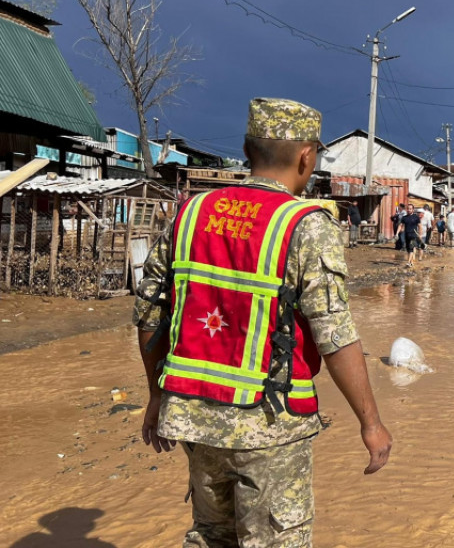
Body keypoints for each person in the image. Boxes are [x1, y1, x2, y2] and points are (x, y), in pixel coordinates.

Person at [132, 98, 392, 547]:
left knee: (211, 535)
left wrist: (156, 396)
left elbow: (150, 312)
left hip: (194, 416)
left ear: (247, 150)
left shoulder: (190, 213)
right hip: (271, 424)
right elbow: (335, 336)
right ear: (306, 157)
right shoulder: (306, 226)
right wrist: (370, 422)